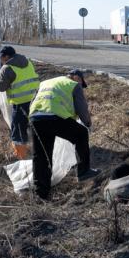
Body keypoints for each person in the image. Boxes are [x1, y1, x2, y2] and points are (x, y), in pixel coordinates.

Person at [29, 69, 100, 200]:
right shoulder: (73, 85)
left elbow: (33, 100)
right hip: (55, 116)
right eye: (82, 82)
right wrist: (88, 124)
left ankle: (41, 194)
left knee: (41, 156)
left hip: (36, 118)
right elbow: (81, 107)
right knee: (81, 134)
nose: (81, 86)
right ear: (76, 77)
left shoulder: (45, 83)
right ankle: (84, 171)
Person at [0, 45, 39, 159]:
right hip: (36, 100)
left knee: (18, 131)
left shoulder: (7, 68)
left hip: (21, 104)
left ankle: (22, 157)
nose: (1, 60)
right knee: (35, 128)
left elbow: (1, 87)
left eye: (2, 57)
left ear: (7, 57)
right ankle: (38, 153)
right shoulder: (28, 62)